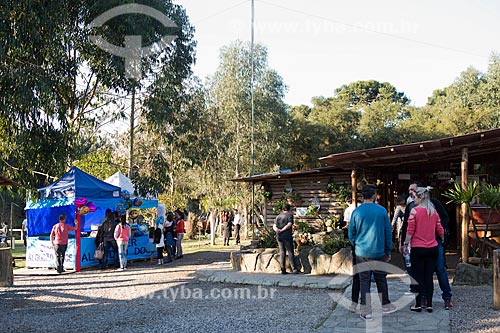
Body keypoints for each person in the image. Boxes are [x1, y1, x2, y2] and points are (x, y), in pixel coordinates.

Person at [348, 184, 396, 321]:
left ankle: (365, 310)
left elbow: (351, 233)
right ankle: (385, 304)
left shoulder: (356, 212)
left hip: (361, 252)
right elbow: (388, 232)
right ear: (374, 195)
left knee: (364, 280)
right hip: (379, 251)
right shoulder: (381, 211)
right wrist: (388, 250)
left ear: (363, 195)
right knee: (381, 279)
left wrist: (356, 245)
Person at [404, 186, 445, 313]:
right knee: (429, 276)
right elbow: (440, 229)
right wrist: (442, 239)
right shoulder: (433, 212)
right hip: (432, 247)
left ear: (420, 197)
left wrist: (405, 243)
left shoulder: (414, 212)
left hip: (418, 248)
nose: (413, 199)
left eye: (414, 197)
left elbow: (410, 231)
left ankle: (418, 304)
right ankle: (429, 304)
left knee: (417, 277)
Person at [273, 203, 299, 274]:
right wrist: (283, 230)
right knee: (290, 252)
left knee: (282, 252)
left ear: (282, 209)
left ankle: (283, 269)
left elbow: (274, 226)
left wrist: (277, 230)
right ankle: (294, 269)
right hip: (287, 235)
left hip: (279, 236)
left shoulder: (278, 216)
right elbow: (289, 224)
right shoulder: (290, 215)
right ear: (289, 209)